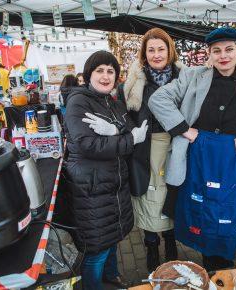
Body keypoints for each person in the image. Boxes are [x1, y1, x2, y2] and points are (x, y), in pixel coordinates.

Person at [148, 27, 236, 272]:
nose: (223, 56)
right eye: (217, 51)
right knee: (201, 217)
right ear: (210, 54)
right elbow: (158, 100)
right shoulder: (193, 77)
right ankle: (213, 270)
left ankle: (229, 270)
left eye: (229, 50)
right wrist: (184, 128)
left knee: (233, 223)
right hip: (198, 163)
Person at [63, 51, 148, 290]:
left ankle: (112, 277)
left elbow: (130, 131)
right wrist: (126, 138)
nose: (105, 75)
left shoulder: (113, 102)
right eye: (100, 70)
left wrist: (115, 131)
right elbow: (87, 144)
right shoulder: (78, 101)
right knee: (97, 249)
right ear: (89, 74)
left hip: (114, 186)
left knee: (113, 239)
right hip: (92, 189)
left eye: (110, 71)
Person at [116, 28, 182, 272]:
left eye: (160, 49)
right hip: (145, 147)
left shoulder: (184, 78)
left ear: (169, 50)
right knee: (147, 195)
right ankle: (152, 245)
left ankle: (172, 241)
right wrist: (133, 134)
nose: (156, 54)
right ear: (144, 53)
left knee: (172, 193)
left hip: (176, 146)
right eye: (150, 50)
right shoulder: (133, 82)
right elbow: (125, 114)